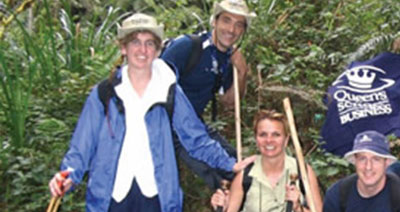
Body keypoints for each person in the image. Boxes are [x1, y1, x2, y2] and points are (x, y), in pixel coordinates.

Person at [47, 13, 255, 212]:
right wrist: (67, 177)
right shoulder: (104, 93)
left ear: (157, 50)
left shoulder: (169, 90)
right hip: (110, 196)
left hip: (158, 195)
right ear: (123, 48)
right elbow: (81, 147)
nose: (142, 50)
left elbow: (196, 139)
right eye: (135, 42)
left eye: (149, 43)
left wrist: (231, 164)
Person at [160, 0, 256, 191]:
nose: (231, 29)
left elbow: (229, 103)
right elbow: (155, 84)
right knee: (217, 177)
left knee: (244, 169)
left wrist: (242, 72)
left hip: (195, 126)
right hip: (168, 127)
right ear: (214, 21)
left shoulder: (228, 59)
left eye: (239, 25)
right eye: (226, 21)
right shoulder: (187, 46)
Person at [210, 110, 323, 212]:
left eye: (276, 135)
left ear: (286, 139)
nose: (269, 140)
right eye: (263, 135)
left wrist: (298, 208)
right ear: (256, 139)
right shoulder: (245, 175)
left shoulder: (303, 171)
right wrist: (222, 208)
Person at [323, 130, 400, 212]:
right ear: (355, 162)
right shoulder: (337, 195)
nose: (368, 167)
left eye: (376, 159)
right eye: (362, 159)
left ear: (386, 163)